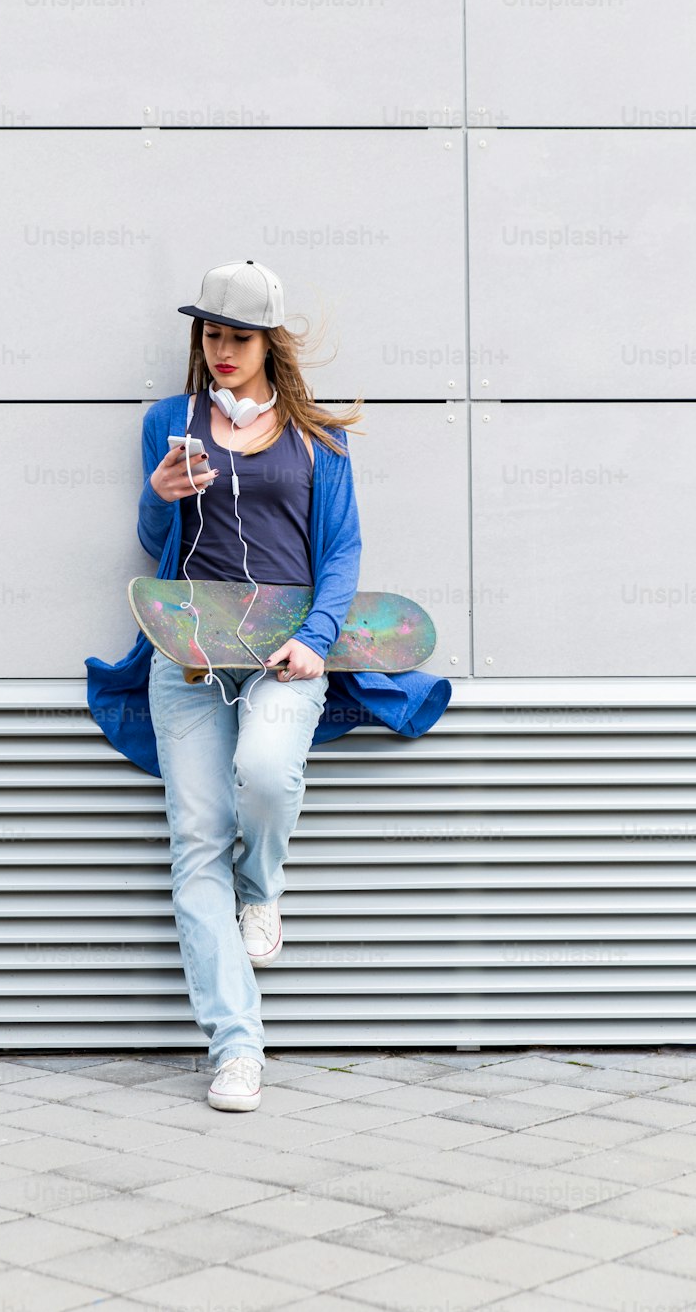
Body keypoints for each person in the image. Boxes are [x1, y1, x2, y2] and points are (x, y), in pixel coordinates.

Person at [85, 259, 453, 1113]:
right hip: (189, 658)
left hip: (289, 654)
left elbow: (343, 551)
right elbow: (154, 544)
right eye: (210, 334)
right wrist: (159, 493)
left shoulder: (319, 435)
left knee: (267, 771)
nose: (221, 351)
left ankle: (263, 888)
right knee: (196, 845)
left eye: (238, 337)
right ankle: (236, 1048)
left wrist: (319, 641)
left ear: (268, 343)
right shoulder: (169, 424)